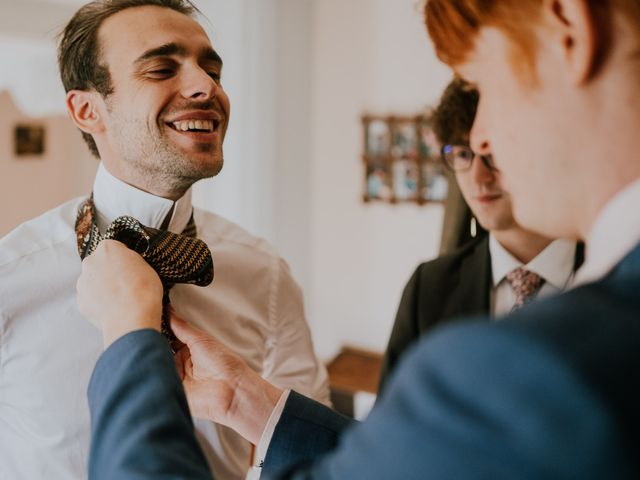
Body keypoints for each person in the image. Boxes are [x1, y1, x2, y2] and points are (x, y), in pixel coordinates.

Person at [77, 0, 640, 478]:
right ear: (86, 108)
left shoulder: (524, 366)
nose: (483, 139)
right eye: (159, 69)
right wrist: (244, 400)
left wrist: (129, 335)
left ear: (569, 24)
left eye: (480, 84)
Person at [0, 1, 329, 478]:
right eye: (160, 68)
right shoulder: (11, 279)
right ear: (88, 109)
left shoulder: (266, 275)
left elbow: (320, 463)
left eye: (211, 68)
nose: (206, 86)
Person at [379, 79, 583, 389]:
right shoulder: (429, 287)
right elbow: (391, 427)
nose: (477, 177)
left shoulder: (616, 273)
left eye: (493, 152)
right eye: (462, 154)